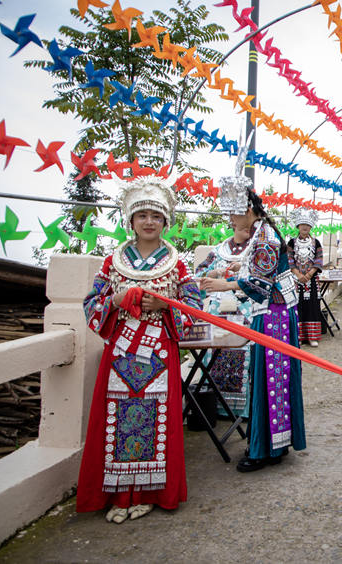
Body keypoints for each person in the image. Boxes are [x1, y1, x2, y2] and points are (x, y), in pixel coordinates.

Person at [79, 177, 202, 523]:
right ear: (130, 221)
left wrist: (165, 306)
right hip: (120, 353)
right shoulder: (111, 262)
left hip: (159, 352)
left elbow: (194, 305)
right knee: (116, 421)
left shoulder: (178, 264)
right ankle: (119, 494)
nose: (149, 221)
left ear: (166, 222)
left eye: (156, 216)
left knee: (157, 422)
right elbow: (91, 304)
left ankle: (148, 493)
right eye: (142, 215)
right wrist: (116, 300)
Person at [200, 168, 306, 473]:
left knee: (270, 381)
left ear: (248, 210)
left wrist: (224, 285)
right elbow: (258, 273)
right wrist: (234, 270)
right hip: (272, 311)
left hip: (273, 314)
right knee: (270, 380)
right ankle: (272, 445)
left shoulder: (266, 236)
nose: (231, 221)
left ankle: (264, 450)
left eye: (234, 215)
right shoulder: (262, 233)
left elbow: (260, 283)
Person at [194, 219, 255, 418]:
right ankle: (215, 405)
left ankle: (241, 409)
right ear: (233, 223)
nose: (248, 227)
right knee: (214, 354)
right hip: (218, 311)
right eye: (242, 222)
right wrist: (213, 272)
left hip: (245, 310)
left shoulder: (256, 250)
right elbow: (199, 275)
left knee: (244, 352)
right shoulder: (218, 251)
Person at [287, 208, 324, 347]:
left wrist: (309, 274)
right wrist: (298, 274)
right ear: (298, 226)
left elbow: (319, 259)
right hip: (295, 280)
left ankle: (312, 336)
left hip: (311, 280)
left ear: (310, 227)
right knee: (297, 306)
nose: (305, 227)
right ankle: (299, 336)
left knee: (312, 306)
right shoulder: (291, 243)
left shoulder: (316, 243)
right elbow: (289, 260)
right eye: (302, 225)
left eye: (307, 225)